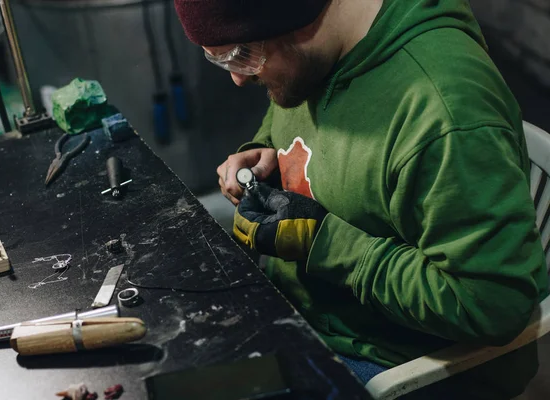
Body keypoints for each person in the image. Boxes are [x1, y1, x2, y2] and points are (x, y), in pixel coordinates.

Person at [174, 0, 548, 398]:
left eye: (242, 55)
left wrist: (327, 243)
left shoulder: (446, 113)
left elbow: (493, 306)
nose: (237, 79)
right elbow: (292, 126)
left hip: (401, 363)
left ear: (292, 17)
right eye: (221, 60)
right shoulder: (316, 50)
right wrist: (264, 151)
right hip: (307, 316)